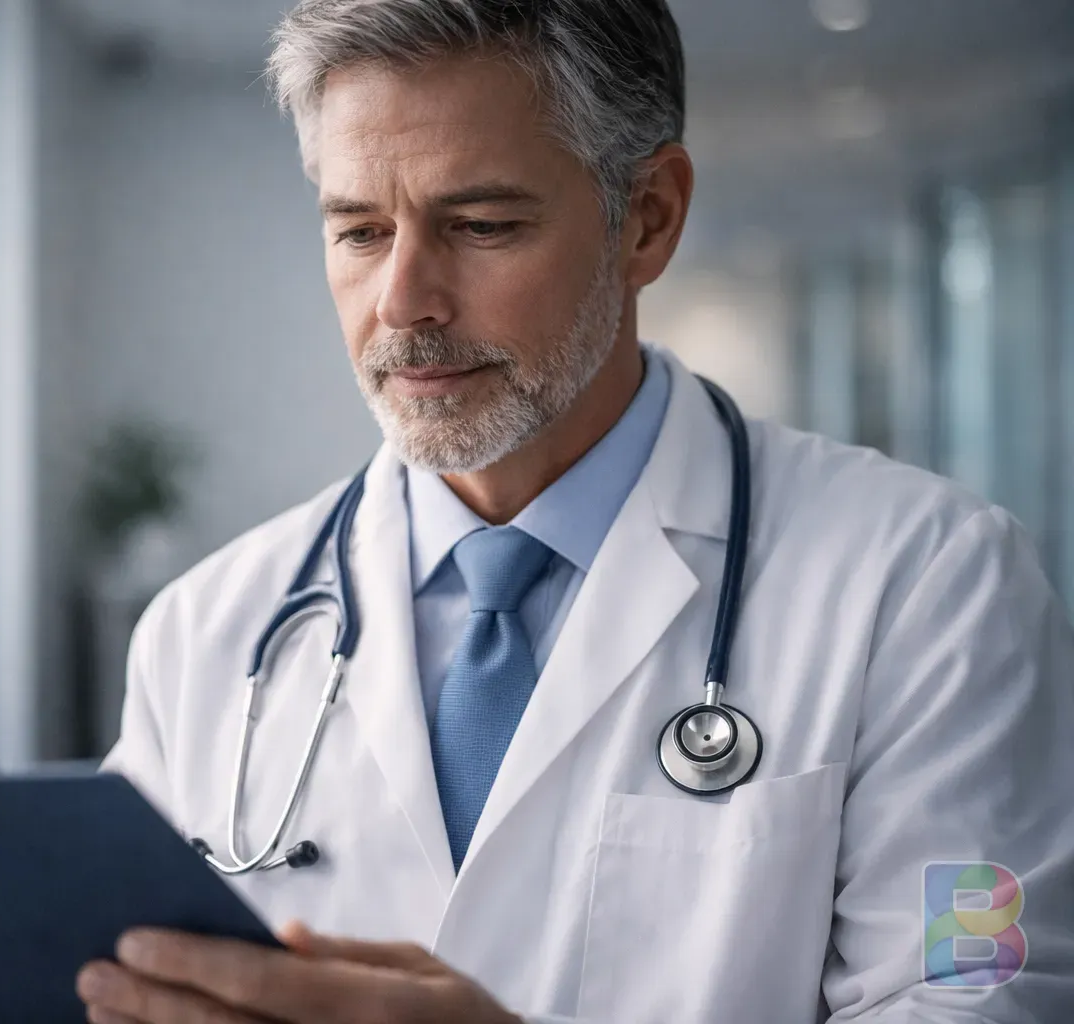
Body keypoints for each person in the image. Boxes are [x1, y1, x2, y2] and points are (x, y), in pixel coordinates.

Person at [80, 1, 1074, 1021]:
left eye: (481, 226)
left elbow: (984, 994)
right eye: (361, 231)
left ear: (647, 216)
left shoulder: (932, 584)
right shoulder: (205, 637)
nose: (403, 300)